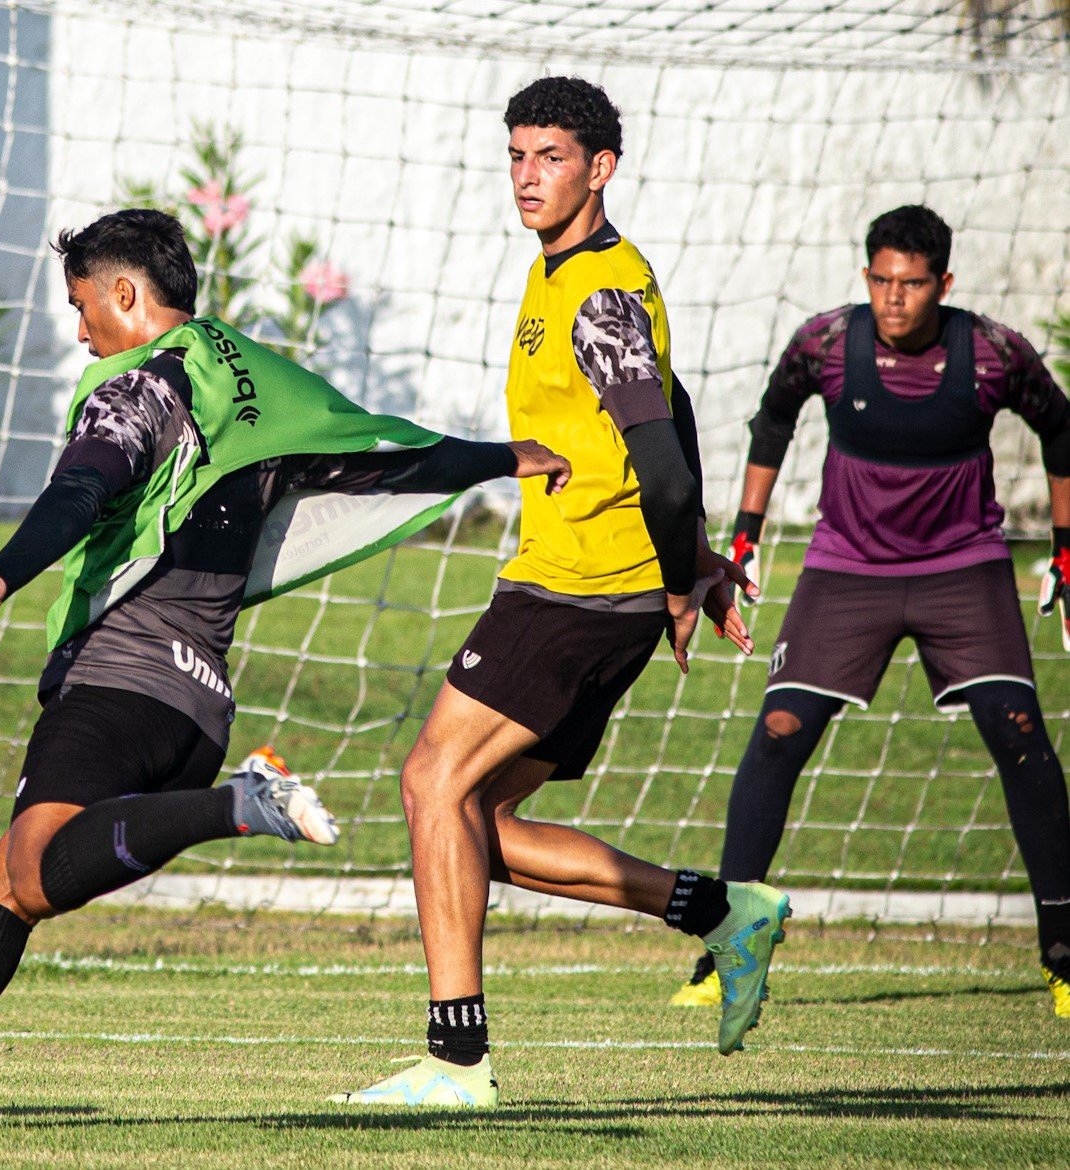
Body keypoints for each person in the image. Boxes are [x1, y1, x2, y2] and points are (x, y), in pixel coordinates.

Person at [0, 208, 575, 1132]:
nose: (81, 329)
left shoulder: (141, 387)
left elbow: (81, 487)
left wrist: (2, 575)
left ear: (126, 294)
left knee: (32, 864)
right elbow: (380, 455)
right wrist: (501, 458)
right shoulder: (259, 379)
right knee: (7, 891)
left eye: (83, 305)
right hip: (195, 711)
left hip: (118, 680)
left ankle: (240, 806)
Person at [331, 76, 788, 1111]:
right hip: (590, 585)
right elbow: (671, 410)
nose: (528, 177)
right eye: (516, 156)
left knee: (428, 783)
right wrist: (699, 563)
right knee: (475, 823)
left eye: (550, 157)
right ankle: (723, 912)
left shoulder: (597, 292)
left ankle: (456, 1062)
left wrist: (684, 579)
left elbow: (663, 464)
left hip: (579, 588)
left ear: (601, 167)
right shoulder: (570, 273)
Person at [669, 204, 1070, 1019]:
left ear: (943, 285)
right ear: (867, 278)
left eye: (913, 283)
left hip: (964, 567)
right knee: (779, 730)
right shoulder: (825, 343)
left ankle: (1065, 953)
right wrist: (744, 537)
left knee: (1020, 732)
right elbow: (772, 418)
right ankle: (729, 944)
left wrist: (1065, 548)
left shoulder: (992, 351)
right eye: (882, 281)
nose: (895, 298)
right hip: (847, 567)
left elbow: (1061, 432)